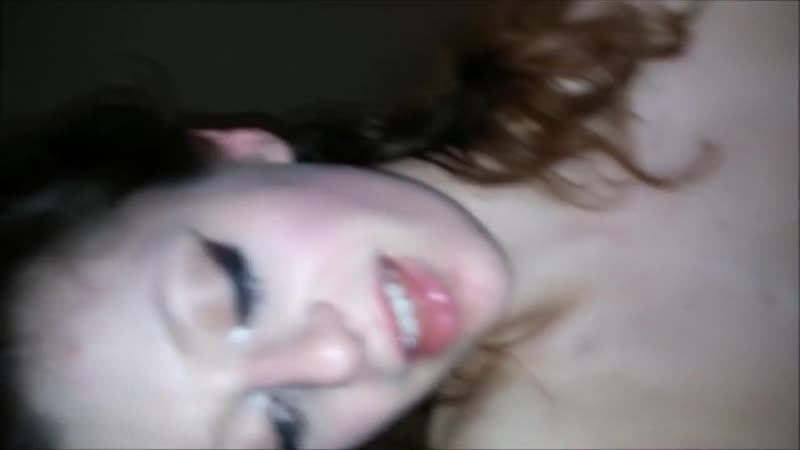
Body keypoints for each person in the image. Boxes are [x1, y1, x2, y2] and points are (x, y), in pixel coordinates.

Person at [1, 1, 797, 449]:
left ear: (233, 152)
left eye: (239, 290)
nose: (334, 358)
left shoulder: (633, 19)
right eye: (282, 427)